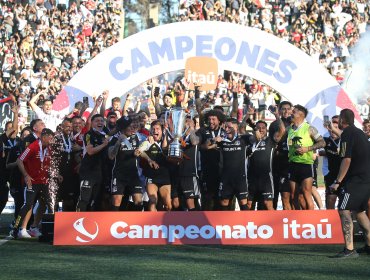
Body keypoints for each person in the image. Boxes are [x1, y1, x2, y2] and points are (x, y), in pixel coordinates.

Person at [330, 109, 370, 258]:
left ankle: (349, 249)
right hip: (366, 179)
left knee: (344, 210)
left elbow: (347, 159)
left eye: (339, 119)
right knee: (359, 212)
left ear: (342, 120)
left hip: (356, 180)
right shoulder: (357, 132)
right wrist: (333, 129)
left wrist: (337, 181)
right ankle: (369, 245)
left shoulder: (348, 134)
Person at [11, 128, 54, 239]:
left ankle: (35, 227)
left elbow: (46, 164)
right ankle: (18, 228)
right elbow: (20, 161)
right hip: (32, 181)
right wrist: (26, 175)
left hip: (43, 181)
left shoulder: (48, 148)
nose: (52, 140)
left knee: (47, 203)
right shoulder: (32, 147)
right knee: (28, 204)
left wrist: (54, 174)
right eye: (51, 138)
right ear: (44, 137)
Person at [287, 105, 325, 210]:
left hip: (306, 165)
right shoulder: (290, 128)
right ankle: (298, 221)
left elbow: (322, 142)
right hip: (292, 165)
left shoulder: (310, 128)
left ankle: (310, 220)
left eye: (294, 112)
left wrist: (307, 149)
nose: (291, 113)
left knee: (306, 193)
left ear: (301, 115)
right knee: (294, 195)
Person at [247, 111, 286, 210]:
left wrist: (277, 115)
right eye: (258, 128)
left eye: (263, 128)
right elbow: (241, 129)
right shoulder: (250, 140)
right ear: (254, 129)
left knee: (268, 204)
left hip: (266, 178)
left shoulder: (270, 141)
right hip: (251, 178)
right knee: (249, 205)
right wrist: (247, 115)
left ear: (266, 130)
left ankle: (272, 226)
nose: (260, 130)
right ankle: (249, 225)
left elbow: (282, 130)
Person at [214, 118, 252, 211]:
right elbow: (207, 145)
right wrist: (213, 140)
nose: (226, 129)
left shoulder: (243, 139)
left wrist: (250, 124)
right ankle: (224, 225)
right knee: (224, 203)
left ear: (236, 127)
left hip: (240, 178)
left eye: (229, 127)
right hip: (226, 178)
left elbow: (256, 138)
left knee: (243, 203)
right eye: (225, 127)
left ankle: (248, 225)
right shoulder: (222, 141)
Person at [108, 116, 143, 211]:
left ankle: (137, 224)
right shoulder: (114, 138)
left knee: (138, 200)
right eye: (130, 126)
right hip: (119, 175)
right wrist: (119, 142)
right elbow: (111, 156)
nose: (133, 128)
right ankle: (113, 223)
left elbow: (141, 149)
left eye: (133, 126)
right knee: (116, 200)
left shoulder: (135, 136)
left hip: (133, 174)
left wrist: (139, 152)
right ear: (123, 128)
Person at [76, 114, 109, 211]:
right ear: (92, 123)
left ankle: (93, 223)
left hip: (101, 172)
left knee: (97, 200)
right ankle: (78, 222)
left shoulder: (106, 134)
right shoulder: (89, 134)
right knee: (84, 199)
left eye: (102, 121)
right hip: (88, 172)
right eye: (97, 121)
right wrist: (104, 144)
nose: (100, 123)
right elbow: (90, 151)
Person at [138, 120, 171, 211]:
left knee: (168, 205)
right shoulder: (148, 141)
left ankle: (167, 224)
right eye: (153, 129)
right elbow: (139, 151)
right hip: (151, 176)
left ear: (162, 131)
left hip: (164, 176)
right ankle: (154, 224)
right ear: (150, 131)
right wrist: (149, 160)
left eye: (158, 129)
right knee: (152, 202)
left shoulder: (168, 141)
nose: (155, 131)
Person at [199, 109, 226, 210]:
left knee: (222, 200)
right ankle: (205, 224)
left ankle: (222, 224)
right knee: (207, 201)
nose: (211, 121)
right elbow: (199, 146)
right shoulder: (202, 131)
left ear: (219, 120)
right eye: (209, 119)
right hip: (207, 172)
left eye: (213, 119)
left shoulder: (225, 132)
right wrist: (212, 141)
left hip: (222, 172)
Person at [269, 101, 293, 210]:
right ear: (280, 110)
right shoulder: (274, 124)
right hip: (276, 163)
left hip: (291, 164)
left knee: (289, 196)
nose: (286, 111)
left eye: (288, 109)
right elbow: (274, 140)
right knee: (273, 196)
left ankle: (292, 223)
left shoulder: (295, 124)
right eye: (283, 109)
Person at [319, 116, 341, 209]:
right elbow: (319, 151)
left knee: (344, 201)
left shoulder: (345, 138)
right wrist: (329, 152)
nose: (333, 130)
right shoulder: (325, 137)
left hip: (344, 174)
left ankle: (345, 220)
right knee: (330, 199)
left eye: (336, 128)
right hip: (330, 173)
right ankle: (330, 220)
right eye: (332, 128)